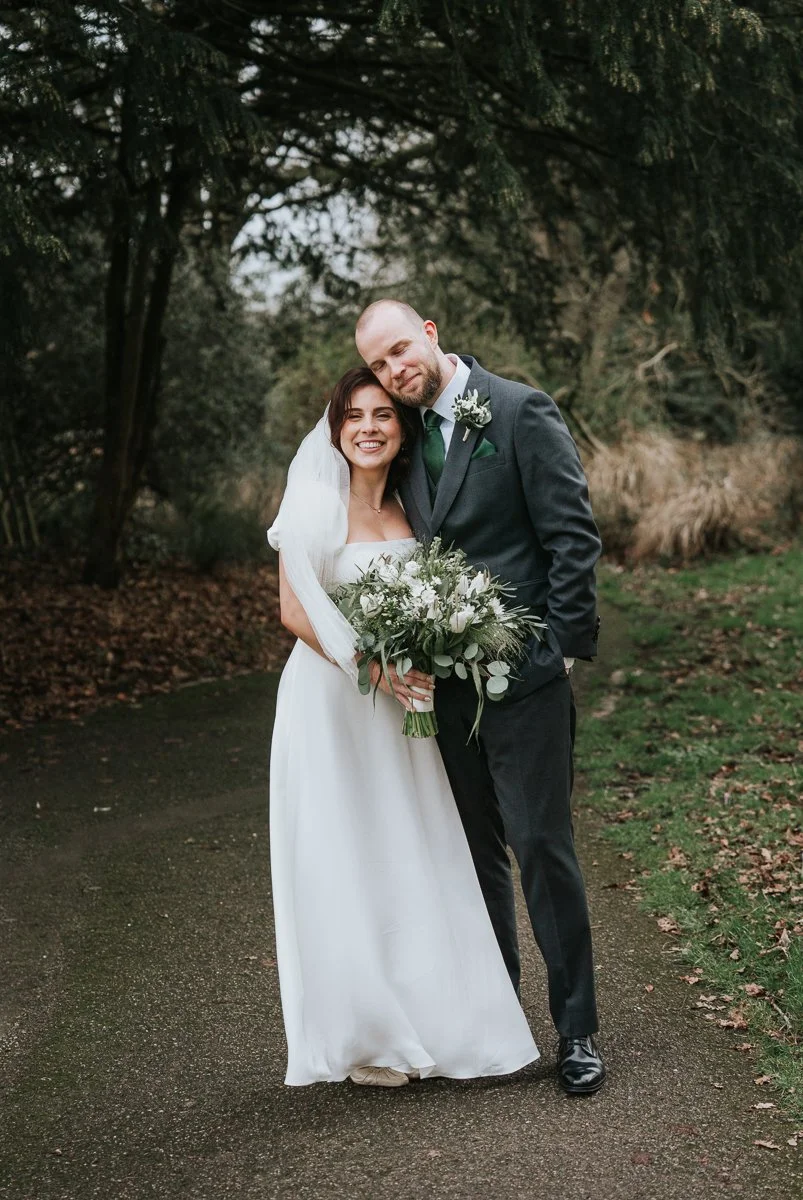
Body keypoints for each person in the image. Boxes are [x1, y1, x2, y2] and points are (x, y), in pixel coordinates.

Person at [355, 301, 606, 1095]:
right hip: (447, 692)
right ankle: (496, 1022)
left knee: (540, 849)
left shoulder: (518, 409)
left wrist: (559, 651)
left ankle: (576, 1031)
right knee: (472, 863)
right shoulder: (401, 442)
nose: (395, 370)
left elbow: (572, 537)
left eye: (399, 350)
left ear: (428, 333)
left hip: (525, 681)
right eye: (380, 366)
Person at [267, 366, 539, 1087]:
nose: (367, 428)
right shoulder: (314, 502)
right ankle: (366, 1033)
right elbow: (296, 612)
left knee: (409, 846)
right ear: (334, 429)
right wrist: (373, 668)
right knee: (342, 853)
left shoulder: (416, 509)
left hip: (403, 706)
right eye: (353, 416)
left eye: (382, 415)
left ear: (402, 428)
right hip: (331, 701)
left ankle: (429, 1017)